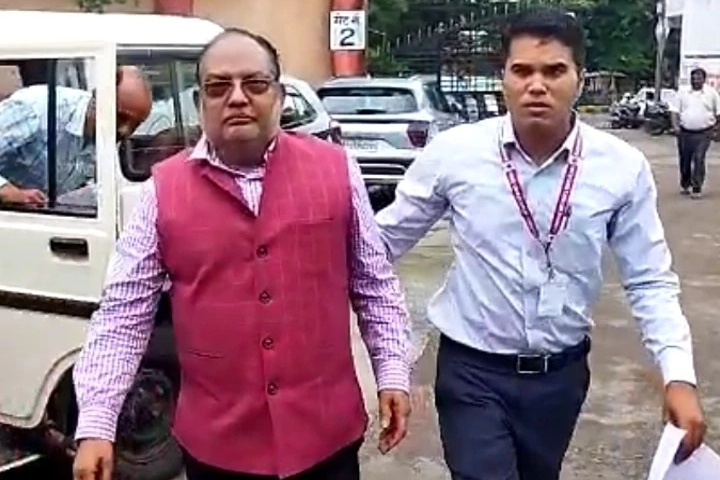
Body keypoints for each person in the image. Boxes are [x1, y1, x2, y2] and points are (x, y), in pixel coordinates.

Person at [375, 8, 705, 480]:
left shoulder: (621, 167)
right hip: (472, 372)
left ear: (579, 79)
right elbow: (381, 244)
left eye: (553, 71)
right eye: (522, 71)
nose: (536, 85)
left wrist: (678, 375)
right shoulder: (455, 154)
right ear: (503, 79)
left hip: (560, 378)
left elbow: (649, 279)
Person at [71, 28, 411, 480]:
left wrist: (392, 370)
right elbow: (124, 311)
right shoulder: (162, 191)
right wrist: (97, 421)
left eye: (254, 83)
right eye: (218, 87)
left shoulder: (335, 169)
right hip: (217, 447)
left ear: (280, 97)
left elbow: (374, 283)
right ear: (200, 104)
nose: (236, 98)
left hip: (326, 438)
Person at [0, 65, 151, 206]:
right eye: (121, 117)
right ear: (97, 98)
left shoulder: (106, 139)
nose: (125, 130)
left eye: (135, 124)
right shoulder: (36, 110)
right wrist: (9, 192)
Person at [670, 67, 720, 199]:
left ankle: (697, 187)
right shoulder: (682, 93)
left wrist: (717, 130)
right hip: (685, 132)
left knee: (699, 158)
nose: (695, 80)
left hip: (704, 132)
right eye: (693, 78)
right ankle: (685, 183)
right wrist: (675, 126)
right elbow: (675, 111)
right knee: (685, 160)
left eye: (698, 78)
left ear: (704, 79)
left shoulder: (712, 94)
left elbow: (718, 113)